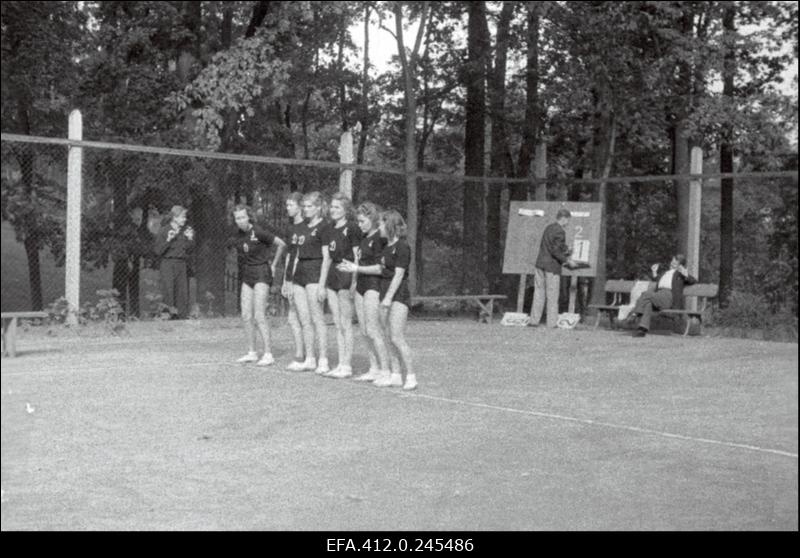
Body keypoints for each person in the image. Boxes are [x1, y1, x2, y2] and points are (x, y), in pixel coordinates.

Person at [337, 202, 391, 382]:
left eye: (362, 221)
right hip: (360, 285)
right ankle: (373, 367)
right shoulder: (363, 237)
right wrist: (352, 276)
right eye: (358, 221)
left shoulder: (380, 238)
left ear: (372, 219)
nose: (359, 225)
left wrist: (356, 268)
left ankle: (386, 371)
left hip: (373, 286)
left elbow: (380, 268)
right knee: (364, 331)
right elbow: (359, 263)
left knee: (374, 330)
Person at [228, 204, 287, 365]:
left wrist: (273, 264)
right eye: (237, 218)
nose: (240, 221)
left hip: (262, 272)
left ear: (249, 217)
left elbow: (281, 244)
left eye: (242, 217)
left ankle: (268, 353)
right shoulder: (237, 235)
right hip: (247, 274)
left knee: (259, 314)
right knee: (246, 315)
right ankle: (252, 352)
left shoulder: (259, 232)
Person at [288, 191, 330, 374]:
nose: (305, 210)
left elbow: (327, 257)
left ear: (319, 207)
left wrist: (322, 284)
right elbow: (295, 255)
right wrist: (289, 279)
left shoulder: (324, 227)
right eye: (303, 206)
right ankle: (310, 358)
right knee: (304, 319)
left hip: (315, 271)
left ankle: (323, 359)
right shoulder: (301, 226)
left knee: (317, 318)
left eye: (309, 206)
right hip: (300, 274)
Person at [321, 193, 361, 379]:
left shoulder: (352, 228)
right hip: (332, 277)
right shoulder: (328, 229)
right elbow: (327, 259)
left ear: (345, 210)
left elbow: (357, 256)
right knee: (337, 323)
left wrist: (354, 280)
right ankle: (340, 363)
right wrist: (322, 284)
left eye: (337, 207)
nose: (333, 210)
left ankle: (347, 365)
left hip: (346, 274)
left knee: (346, 323)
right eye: (332, 207)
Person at [376, 209, 416, 390]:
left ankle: (411, 376)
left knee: (397, 337)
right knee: (387, 336)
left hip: (398, 295)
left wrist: (388, 299)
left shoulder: (402, 246)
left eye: (381, 224)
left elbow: (399, 275)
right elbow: (381, 270)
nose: (379, 228)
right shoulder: (385, 247)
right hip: (384, 292)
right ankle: (396, 374)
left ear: (389, 225)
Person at [629, 254, 697, 337]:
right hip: (659, 295)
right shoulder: (665, 273)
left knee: (645, 294)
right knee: (648, 304)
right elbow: (658, 282)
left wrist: (686, 274)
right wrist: (654, 272)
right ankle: (642, 330)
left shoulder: (680, 275)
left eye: (675, 263)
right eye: (672, 261)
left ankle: (636, 313)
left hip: (668, 296)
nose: (672, 264)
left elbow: (693, 281)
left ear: (680, 265)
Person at [530, 209, 578, 328]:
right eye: (568, 220)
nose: (568, 223)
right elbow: (555, 250)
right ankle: (551, 323)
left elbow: (552, 245)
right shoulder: (560, 231)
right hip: (551, 267)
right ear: (564, 218)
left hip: (540, 264)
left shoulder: (549, 228)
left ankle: (534, 321)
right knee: (552, 295)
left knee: (538, 293)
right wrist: (568, 260)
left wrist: (566, 249)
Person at [282, 192, 310, 370]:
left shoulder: (308, 227)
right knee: (292, 318)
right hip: (292, 278)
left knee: (305, 317)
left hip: (304, 278)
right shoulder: (290, 228)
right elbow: (290, 256)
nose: (287, 208)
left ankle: (310, 356)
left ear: (300, 206)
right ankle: (300, 354)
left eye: (290, 205)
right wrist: (286, 280)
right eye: (287, 205)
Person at [154, 205, 194, 319]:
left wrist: (190, 239)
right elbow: (157, 251)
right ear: (175, 217)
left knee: (182, 291)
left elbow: (189, 250)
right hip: (167, 263)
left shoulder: (185, 231)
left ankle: (181, 316)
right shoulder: (164, 230)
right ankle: (168, 316)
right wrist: (168, 240)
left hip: (181, 264)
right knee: (168, 290)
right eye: (182, 217)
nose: (185, 219)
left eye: (185, 217)